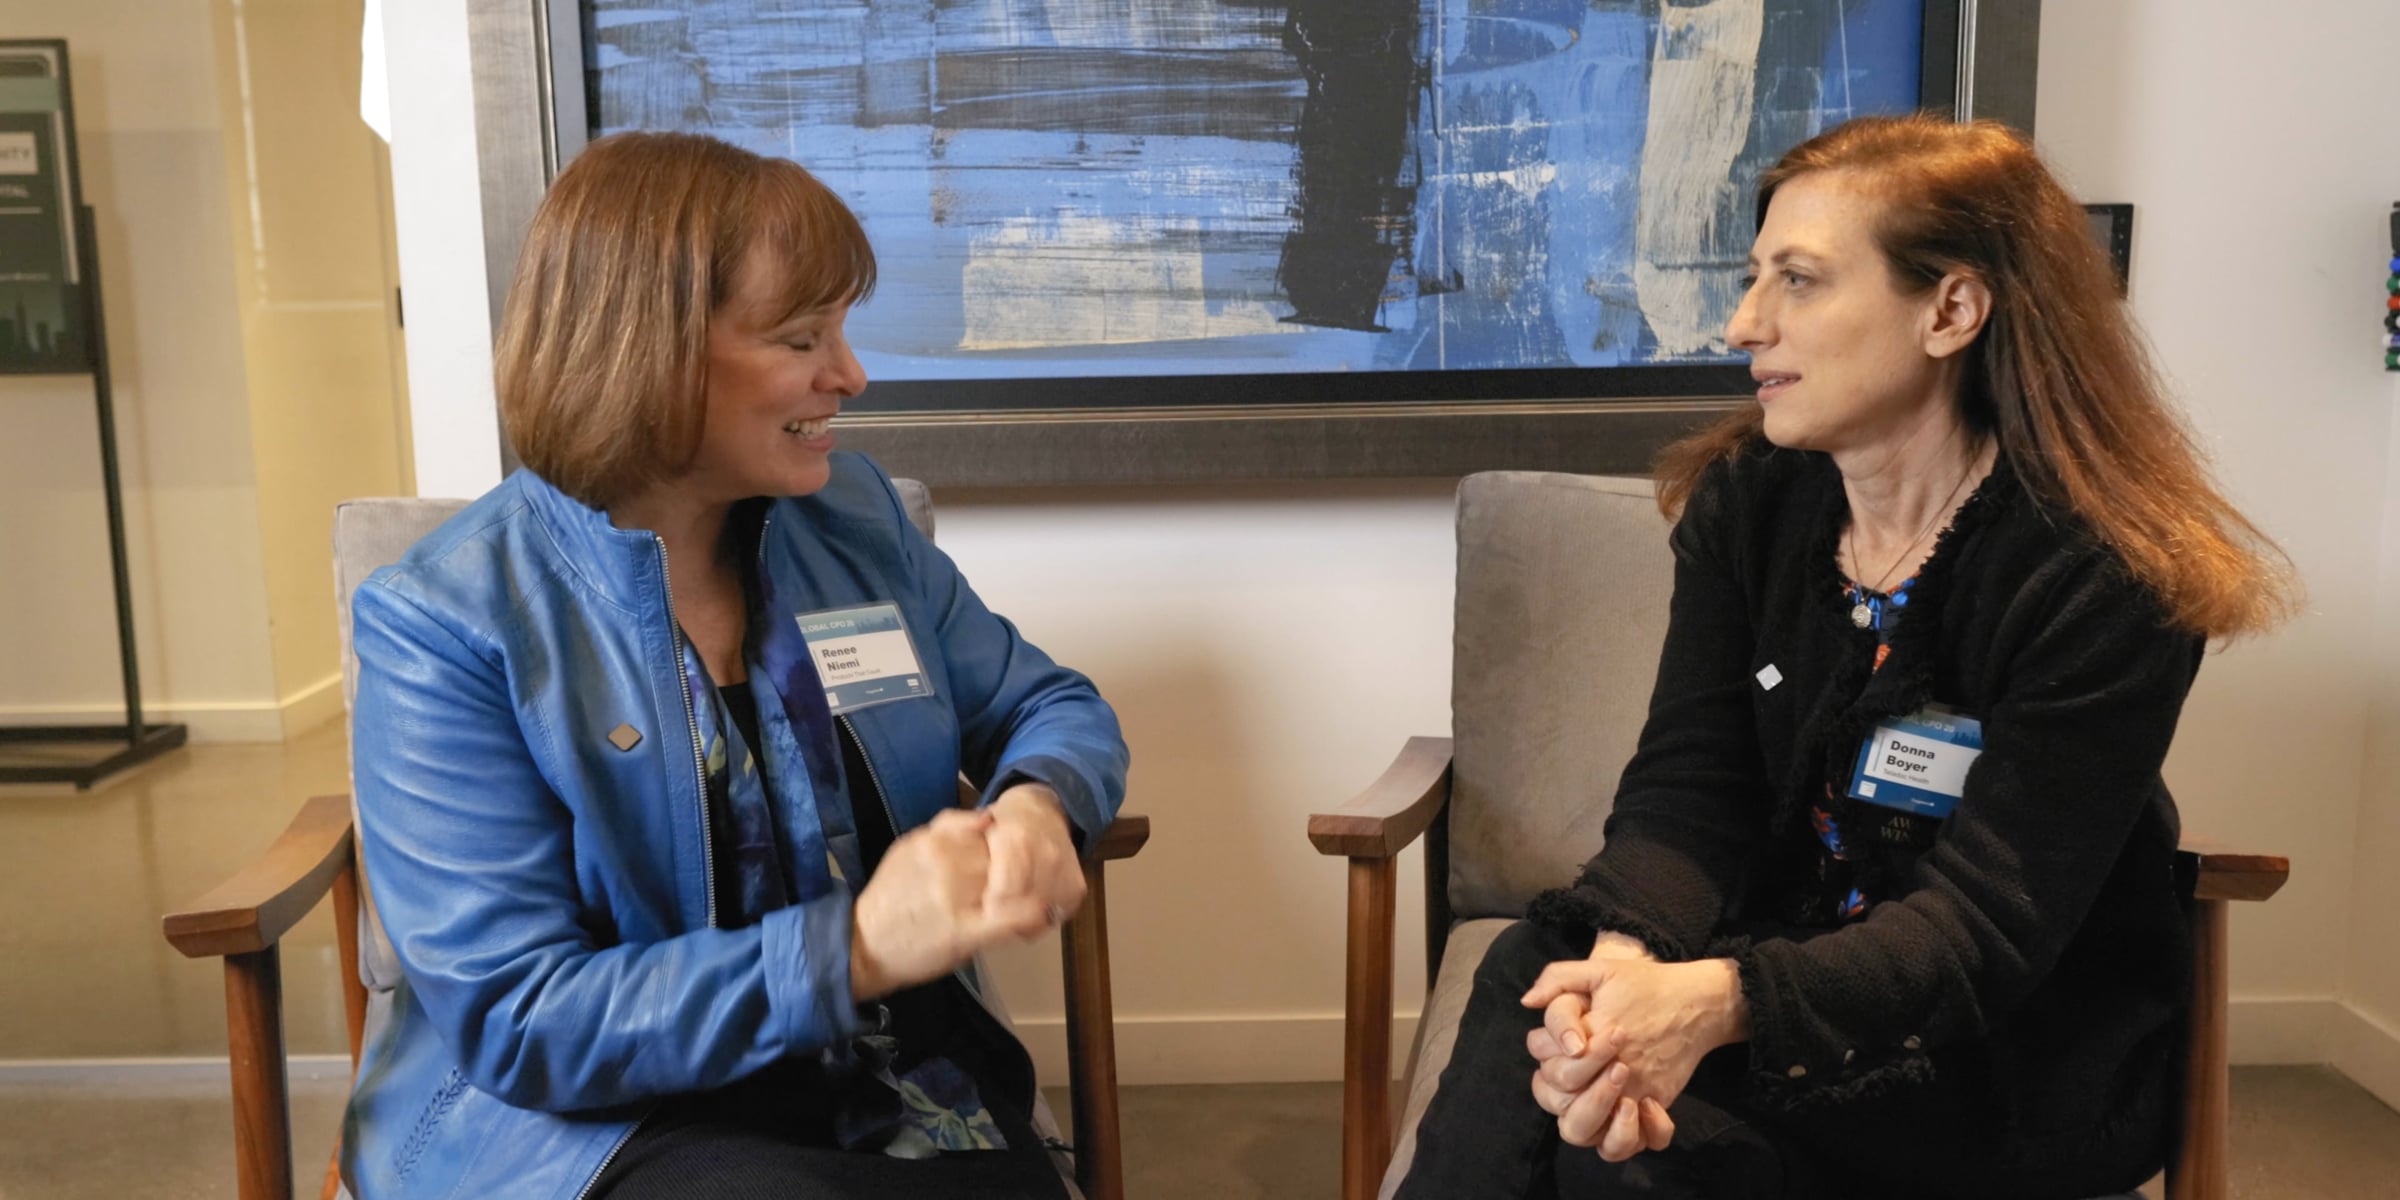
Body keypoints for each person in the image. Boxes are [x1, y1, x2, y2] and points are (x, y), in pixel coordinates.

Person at [1397, 114, 2295, 1199]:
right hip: (1786, 957)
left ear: (1950, 310)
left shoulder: (2105, 575)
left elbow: (1983, 931)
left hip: (1999, 1049)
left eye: (1799, 280)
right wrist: (1626, 965)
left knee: (1618, 1153)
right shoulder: (1753, 503)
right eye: (1753, 278)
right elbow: (1694, 789)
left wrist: (1715, 1003)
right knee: (1543, 980)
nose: (1743, 323)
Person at [340, 131, 1128, 1200]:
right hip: (606, 1125)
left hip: (886, 1073)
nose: (850, 375)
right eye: (803, 338)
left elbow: (1051, 705)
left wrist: (1038, 804)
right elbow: (523, 1019)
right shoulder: (444, 622)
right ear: (648, 352)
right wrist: (851, 950)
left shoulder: (854, 523)